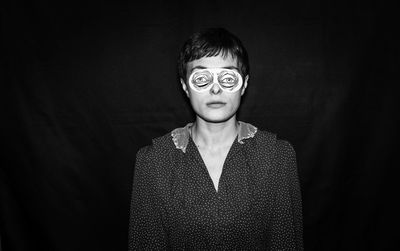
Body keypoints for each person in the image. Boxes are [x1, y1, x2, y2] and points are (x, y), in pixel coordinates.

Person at [128, 28, 303, 250]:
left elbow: (285, 242)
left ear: (245, 84)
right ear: (185, 86)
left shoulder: (276, 156)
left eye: (228, 77)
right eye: (201, 78)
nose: (216, 89)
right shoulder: (153, 161)